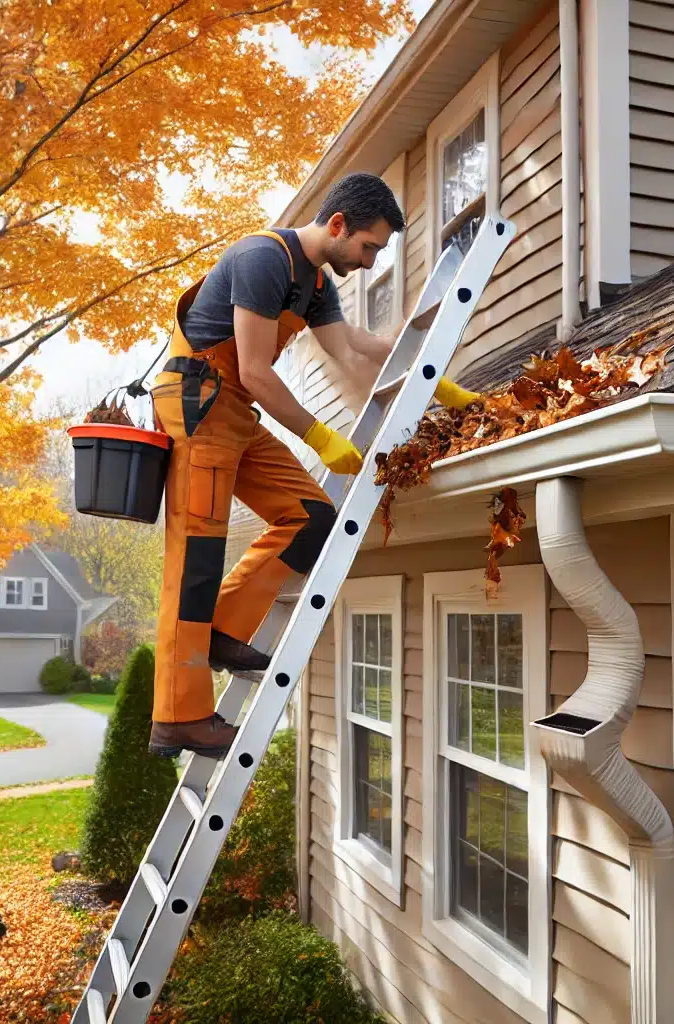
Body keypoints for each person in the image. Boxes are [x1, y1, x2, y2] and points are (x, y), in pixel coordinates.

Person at [148, 172, 481, 759]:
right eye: (369, 246)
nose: (372, 260)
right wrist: (319, 435)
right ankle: (179, 716)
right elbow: (254, 370)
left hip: (237, 411)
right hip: (199, 402)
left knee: (311, 518)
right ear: (337, 225)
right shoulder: (262, 260)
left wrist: (435, 381)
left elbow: (350, 346)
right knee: (195, 559)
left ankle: (225, 629)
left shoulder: (315, 285)